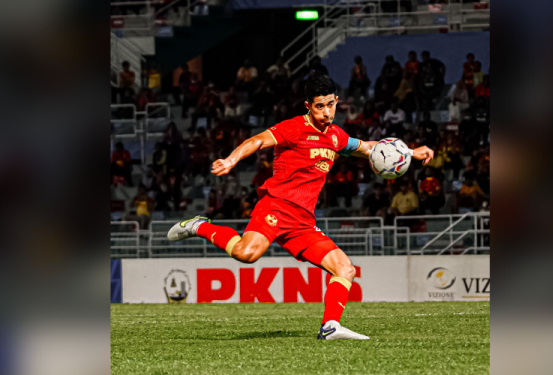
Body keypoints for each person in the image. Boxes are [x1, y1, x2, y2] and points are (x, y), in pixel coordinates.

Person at [167, 75, 434, 340]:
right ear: (308, 105)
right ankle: (200, 226)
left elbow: (367, 148)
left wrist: (409, 152)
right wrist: (230, 160)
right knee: (246, 254)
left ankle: (330, 327)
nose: (326, 112)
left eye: (330, 104)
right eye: (319, 106)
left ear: (337, 101)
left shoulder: (336, 137)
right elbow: (257, 140)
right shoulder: (293, 128)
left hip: (303, 222)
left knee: (345, 269)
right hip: (277, 206)